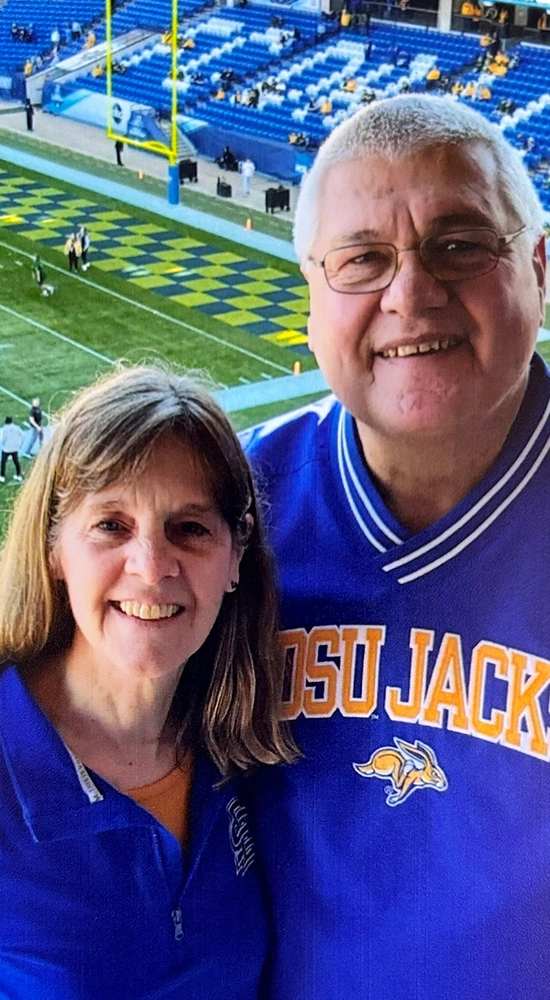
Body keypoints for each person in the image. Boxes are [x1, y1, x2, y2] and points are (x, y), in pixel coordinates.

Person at [243, 94, 550, 999]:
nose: (409, 294)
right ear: (311, 295)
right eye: (362, 259)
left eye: (460, 244)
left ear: (538, 264)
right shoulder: (224, 513)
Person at [0, 364, 295, 1000]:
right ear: (55, 548)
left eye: (189, 528)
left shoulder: (245, 748)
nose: (152, 566)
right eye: (112, 525)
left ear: (235, 556)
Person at [0, 417, 23, 484]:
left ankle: (2, 476)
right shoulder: (17, 428)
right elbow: (23, 436)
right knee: (16, 462)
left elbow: (1, 438)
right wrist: (20, 444)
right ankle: (18, 475)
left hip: (6, 449)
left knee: (3, 462)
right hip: (15, 448)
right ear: (12, 421)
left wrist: (4, 443)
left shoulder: (3, 429)